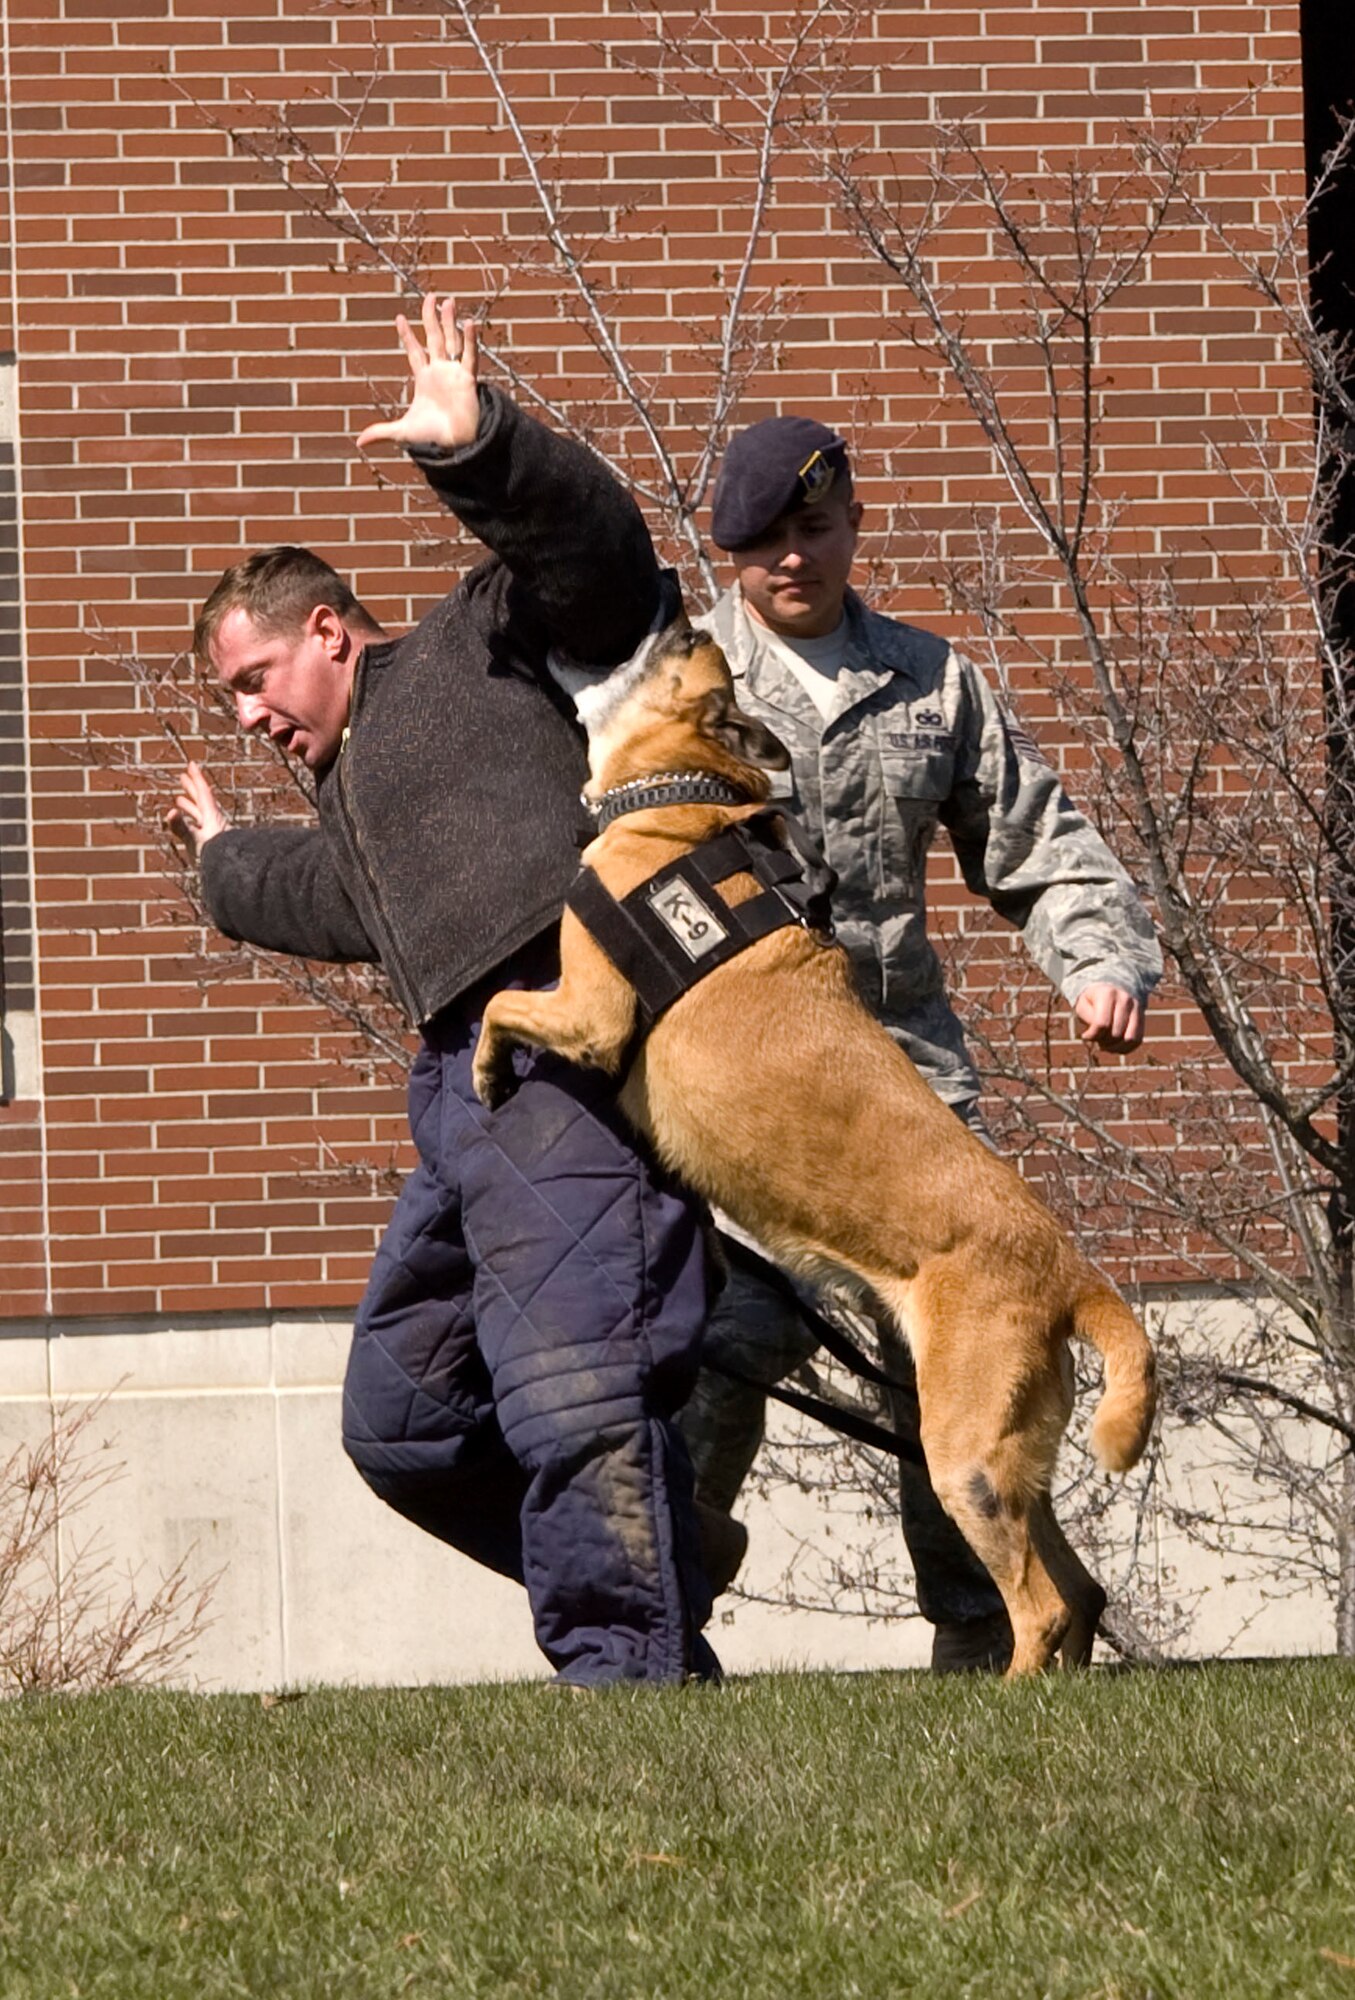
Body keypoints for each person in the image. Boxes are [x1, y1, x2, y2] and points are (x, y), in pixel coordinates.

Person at [168, 296, 720, 1688]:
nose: (249, 716)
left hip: (563, 1052)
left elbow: (598, 564)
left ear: (332, 632)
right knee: (400, 1416)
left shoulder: (480, 647)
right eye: (230, 701)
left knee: (569, 1387)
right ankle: (667, 1567)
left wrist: (482, 453)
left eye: (253, 678)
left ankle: (627, 1677)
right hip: (458, 1097)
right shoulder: (359, 804)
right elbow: (331, 900)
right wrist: (227, 866)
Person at [679, 415, 1163, 1673]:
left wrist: (1098, 958)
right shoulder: (687, 686)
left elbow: (1040, 843)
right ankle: (651, 1635)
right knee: (708, 1374)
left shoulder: (931, 679)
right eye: (764, 539)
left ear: (851, 524)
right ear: (726, 549)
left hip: (912, 1103)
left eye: (815, 527)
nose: (794, 557)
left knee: (953, 1396)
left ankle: (994, 1647)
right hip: (762, 1118)